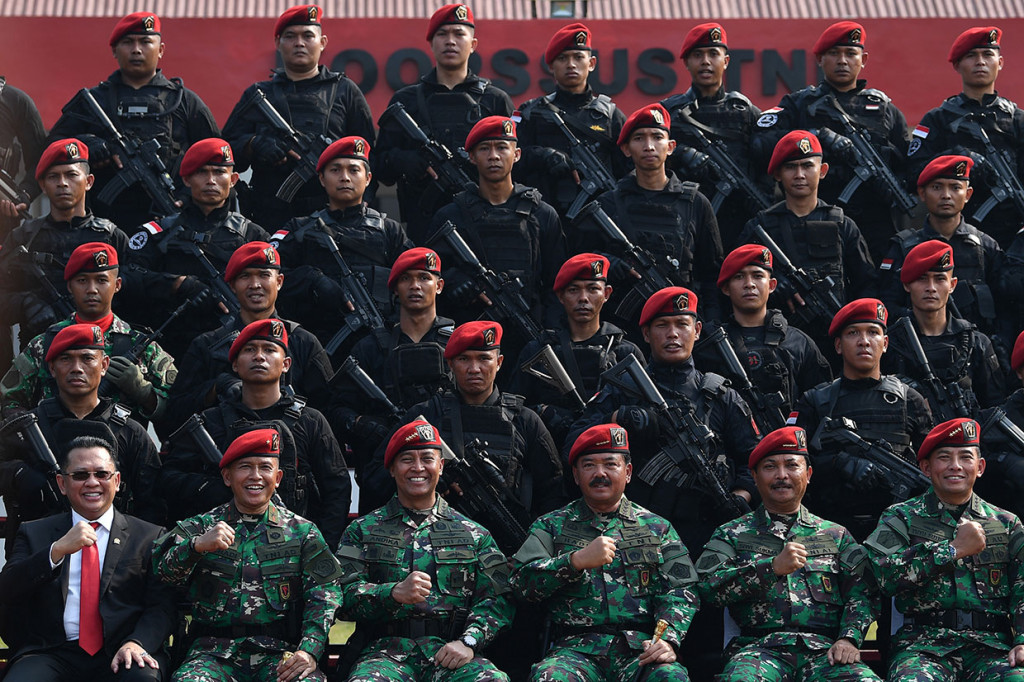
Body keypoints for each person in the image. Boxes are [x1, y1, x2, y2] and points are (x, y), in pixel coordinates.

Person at [568, 286, 760, 551]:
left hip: (709, 531)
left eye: (682, 324)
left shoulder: (721, 395)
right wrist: (618, 418)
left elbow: (755, 459)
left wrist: (742, 495)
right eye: (662, 325)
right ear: (646, 334)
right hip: (636, 534)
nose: (673, 334)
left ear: (698, 330)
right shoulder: (624, 389)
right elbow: (573, 445)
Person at [511, 423, 699, 681]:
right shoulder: (551, 526)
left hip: (639, 649)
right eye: (589, 465)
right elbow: (521, 585)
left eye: (610, 464)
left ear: (628, 471)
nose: (600, 473)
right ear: (576, 475)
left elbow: (681, 590)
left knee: (670, 677)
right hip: (574, 651)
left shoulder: (658, 527)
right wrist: (574, 562)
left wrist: (666, 640)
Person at [152, 428, 343, 682]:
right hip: (211, 654)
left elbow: (326, 594)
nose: (256, 476)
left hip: (279, 652)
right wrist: (196, 546)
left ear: (278, 477)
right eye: (245, 467)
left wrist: (309, 650)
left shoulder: (302, 531)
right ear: (227, 476)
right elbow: (161, 572)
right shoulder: (201, 526)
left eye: (265, 467)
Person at [695, 426, 881, 682]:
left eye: (792, 466)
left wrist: (848, 638)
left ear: (809, 474)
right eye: (770, 467)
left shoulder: (836, 535)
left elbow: (863, 593)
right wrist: (770, 569)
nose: (782, 475)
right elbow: (706, 589)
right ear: (754, 476)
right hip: (758, 651)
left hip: (826, 652)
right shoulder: (732, 534)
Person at [335, 419, 514, 681]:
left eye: (427, 459)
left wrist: (469, 642)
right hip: (384, 654)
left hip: (451, 651)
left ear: (440, 466)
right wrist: (392, 593)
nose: (418, 468)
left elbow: (498, 599)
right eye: (407, 459)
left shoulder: (474, 533)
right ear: (392, 469)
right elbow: (342, 595)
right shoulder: (362, 531)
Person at [363, 321, 565, 547]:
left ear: (499, 363)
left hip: (507, 547)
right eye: (464, 359)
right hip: (430, 548)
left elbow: (553, 492)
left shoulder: (525, 421)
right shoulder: (426, 415)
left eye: (483, 358)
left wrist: (535, 547)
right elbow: (375, 477)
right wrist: (426, 485)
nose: (474, 368)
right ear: (450, 364)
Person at [159, 318, 351, 548]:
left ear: (286, 364)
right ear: (235, 365)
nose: (259, 357)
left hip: (293, 550)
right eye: (249, 350)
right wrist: (213, 488)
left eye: (269, 350)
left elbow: (337, 490)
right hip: (223, 551)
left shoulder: (310, 421)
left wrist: (320, 547)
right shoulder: (211, 422)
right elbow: (170, 479)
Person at [0, 437, 176, 682]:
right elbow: (7, 589)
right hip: (52, 652)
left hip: (123, 649)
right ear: (62, 483)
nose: (92, 482)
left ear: (116, 481)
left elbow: (162, 605)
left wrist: (137, 643)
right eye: (80, 475)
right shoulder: (35, 532)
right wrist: (55, 551)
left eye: (102, 474)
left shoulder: (149, 535)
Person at [864, 417, 1024, 680]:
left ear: (980, 466)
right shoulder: (900, 518)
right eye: (945, 458)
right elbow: (881, 576)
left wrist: (1022, 640)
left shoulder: (1006, 524)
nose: (955, 467)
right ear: (926, 468)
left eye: (965, 457)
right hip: (922, 647)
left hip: (991, 647)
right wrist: (952, 550)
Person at [753, 21, 910, 263]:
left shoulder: (884, 110)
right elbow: (761, 147)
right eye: (834, 54)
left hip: (874, 220)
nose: (842, 61)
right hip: (814, 218)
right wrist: (817, 137)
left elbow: (908, 164)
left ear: (863, 59)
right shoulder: (799, 104)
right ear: (820, 59)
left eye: (850, 53)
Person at [47, 13, 218, 230]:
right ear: (114, 51)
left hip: (169, 217)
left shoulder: (184, 102)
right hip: (103, 222)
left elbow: (217, 157)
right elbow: (52, 147)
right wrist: (87, 145)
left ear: (161, 49)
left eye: (145, 42)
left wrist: (187, 195)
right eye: (128, 42)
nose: (136, 50)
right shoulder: (95, 101)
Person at [0, 324, 164, 550]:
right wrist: (17, 474)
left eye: (87, 359)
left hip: (114, 554)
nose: (77, 368)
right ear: (52, 368)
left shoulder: (131, 433)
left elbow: (153, 506)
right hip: (39, 549)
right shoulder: (26, 429)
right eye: (66, 359)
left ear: (104, 365)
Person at [222, 4, 375, 230]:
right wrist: (255, 144)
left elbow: (369, 153)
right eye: (290, 36)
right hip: (270, 216)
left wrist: (359, 211)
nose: (299, 43)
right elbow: (224, 151)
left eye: (307, 36)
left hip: (333, 218)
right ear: (277, 43)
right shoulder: (258, 95)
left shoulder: (345, 91)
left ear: (322, 43)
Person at [573, 103, 724, 329]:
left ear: (671, 146)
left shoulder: (696, 203)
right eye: (639, 138)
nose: (649, 146)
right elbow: (579, 260)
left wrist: (711, 323)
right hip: (624, 326)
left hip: (680, 322)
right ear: (625, 149)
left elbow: (712, 274)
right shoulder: (608, 204)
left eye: (657, 137)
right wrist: (612, 265)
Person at [374, 3, 514, 243]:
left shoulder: (494, 100)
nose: (450, 41)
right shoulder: (406, 100)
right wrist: (408, 161)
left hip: (484, 222)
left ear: (473, 44)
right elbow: (379, 167)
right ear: (431, 43)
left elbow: (515, 165)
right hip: (423, 224)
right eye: (442, 34)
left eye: (459, 34)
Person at [793, 299, 933, 540]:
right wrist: (839, 463)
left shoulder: (910, 399)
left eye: (873, 333)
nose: (864, 341)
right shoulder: (815, 401)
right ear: (838, 345)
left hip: (902, 529)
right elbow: (794, 465)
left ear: (885, 343)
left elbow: (931, 465)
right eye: (853, 333)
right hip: (830, 527)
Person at [121, 138, 270, 360]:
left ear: (233, 179)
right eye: (202, 172)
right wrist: (178, 284)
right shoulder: (157, 232)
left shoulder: (252, 236)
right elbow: (125, 277)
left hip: (233, 348)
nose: (211, 180)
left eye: (219, 172)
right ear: (187, 179)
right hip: (167, 347)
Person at [163, 241, 334, 435]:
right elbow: (174, 415)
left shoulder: (304, 342)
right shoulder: (207, 345)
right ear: (232, 285)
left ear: (279, 282)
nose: (255, 285)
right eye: (245, 276)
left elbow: (329, 411)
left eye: (264, 275)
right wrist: (215, 388)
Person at [429, 115, 565, 354]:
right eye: (484, 149)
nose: (493, 156)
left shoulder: (542, 215)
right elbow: (427, 275)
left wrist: (551, 333)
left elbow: (557, 284)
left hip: (530, 335)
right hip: (466, 339)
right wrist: (454, 281)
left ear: (517, 154)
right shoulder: (450, 216)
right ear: (471, 157)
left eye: (502, 147)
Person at [1, 242, 176, 425]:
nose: (91, 289)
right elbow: (8, 400)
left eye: (101, 280)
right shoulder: (44, 345)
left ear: (117, 285)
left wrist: (143, 392)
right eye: (82, 280)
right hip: (53, 448)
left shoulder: (143, 348)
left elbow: (179, 410)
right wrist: (33, 432)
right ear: (69, 286)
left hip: (123, 449)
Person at [328, 247, 453, 500]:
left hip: (446, 472)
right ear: (395, 289)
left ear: (439, 285)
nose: (415, 286)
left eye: (423, 278)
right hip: (383, 475)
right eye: (406, 279)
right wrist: (362, 425)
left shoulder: (457, 346)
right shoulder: (371, 347)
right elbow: (337, 410)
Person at [737, 130, 877, 351]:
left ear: (822, 171)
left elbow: (867, 284)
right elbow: (733, 281)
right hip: (777, 343)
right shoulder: (760, 228)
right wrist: (771, 284)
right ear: (777, 174)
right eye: (791, 167)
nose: (799, 174)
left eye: (807, 166)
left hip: (835, 340)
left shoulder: (842, 224)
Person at [273, 136, 411, 355]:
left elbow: (413, 281)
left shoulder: (389, 231)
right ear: (321, 179)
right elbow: (267, 276)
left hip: (378, 342)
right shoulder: (300, 229)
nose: (345, 177)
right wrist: (312, 280)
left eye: (354, 170)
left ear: (368, 178)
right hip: (315, 342)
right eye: (335, 170)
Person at [0, 139, 131, 349]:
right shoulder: (24, 238)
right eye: (53, 177)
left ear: (88, 181)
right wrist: (25, 303)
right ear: (42, 185)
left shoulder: (112, 237)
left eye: (71, 175)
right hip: (39, 353)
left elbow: (132, 296)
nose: (62, 183)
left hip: (101, 354)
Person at [693, 244, 832, 435]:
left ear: (772, 285)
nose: (749, 284)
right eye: (739, 277)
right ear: (726, 288)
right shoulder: (710, 345)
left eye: (758, 276)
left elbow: (823, 405)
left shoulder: (798, 342)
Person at [907, 26, 1024, 250]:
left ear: (1000, 63)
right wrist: (957, 157)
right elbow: (913, 175)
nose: (980, 62)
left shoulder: (1017, 120)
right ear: (957, 65)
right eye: (971, 56)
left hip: (1011, 235)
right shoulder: (938, 119)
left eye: (987, 55)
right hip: (954, 236)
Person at [510, 252, 644, 446]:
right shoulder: (538, 351)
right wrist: (543, 413)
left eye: (592, 289)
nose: (583, 298)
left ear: (606, 294)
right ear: (561, 296)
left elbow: (643, 419)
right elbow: (512, 410)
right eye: (574, 290)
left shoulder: (625, 353)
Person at [660, 22, 768, 251]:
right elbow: (644, 155)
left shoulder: (746, 112)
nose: (706, 61)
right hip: (683, 217)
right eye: (697, 55)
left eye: (713, 54)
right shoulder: (669, 113)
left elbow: (766, 164)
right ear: (686, 63)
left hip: (739, 217)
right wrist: (680, 154)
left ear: (726, 61)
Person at [880, 155, 1006, 340]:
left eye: (955, 187)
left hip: (976, 348)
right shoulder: (904, 247)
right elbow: (887, 303)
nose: (946, 195)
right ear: (922, 194)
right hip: (919, 345)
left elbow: (1005, 306)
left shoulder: (986, 247)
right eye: (937, 187)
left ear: (968, 194)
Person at [513, 23, 629, 218]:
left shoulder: (611, 116)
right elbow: (510, 160)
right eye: (562, 58)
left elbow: (628, 170)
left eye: (578, 57)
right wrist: (544, 155)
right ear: (550, 66)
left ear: (591, 63)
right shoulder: (531, 112)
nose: (571, 64)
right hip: (540, 213)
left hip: (598, 218)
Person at [883, 240, 1005, 416]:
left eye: (940, 279)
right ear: (906, 285)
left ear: (952, 285)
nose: (931, 288)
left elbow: (995, 406)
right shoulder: (891, 343)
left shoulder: (976, 342)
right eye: (922, 279)